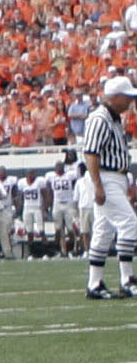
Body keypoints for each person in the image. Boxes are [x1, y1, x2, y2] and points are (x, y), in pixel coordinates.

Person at [78, 76, 137, 299]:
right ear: (116, 97)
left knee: (103, 231)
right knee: (129, 223)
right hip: (105, 177)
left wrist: (126, 181)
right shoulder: (100, 118)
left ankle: (95, 283)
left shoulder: (113, 119)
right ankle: (127, 279)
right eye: (128, 96)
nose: (130, 101)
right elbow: (91, 153)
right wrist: (98, 185)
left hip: (114, 177)